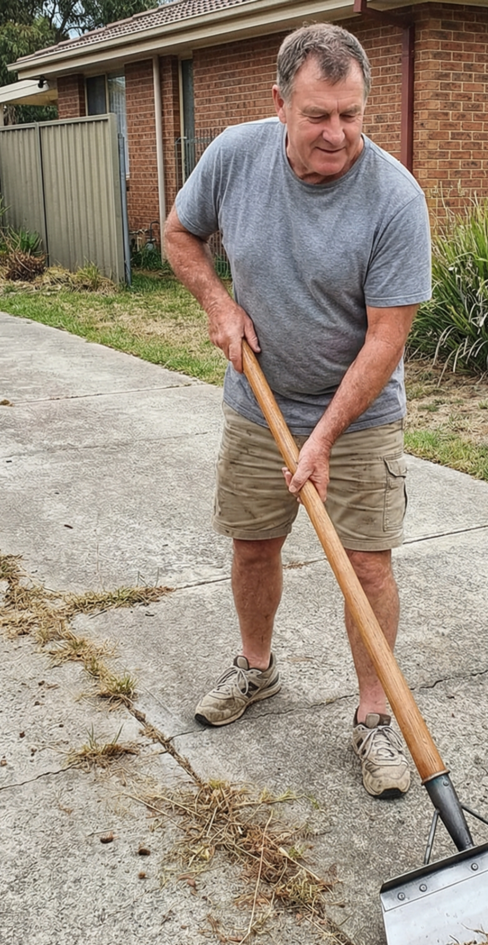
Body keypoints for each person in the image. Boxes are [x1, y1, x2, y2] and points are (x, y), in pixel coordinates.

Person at [163, 22, 431, 798]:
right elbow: (180, 234)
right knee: (253, 546)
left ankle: (374, 717)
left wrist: (322, 437)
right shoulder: (235, 157)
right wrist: (216, 300)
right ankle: (256, 668)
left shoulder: (394, 199)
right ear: (280, 103)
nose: (337, 134)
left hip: (360, 412)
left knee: (367, 567)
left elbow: (386, 340)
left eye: (351, 114)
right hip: (260, 401)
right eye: (318, 114)